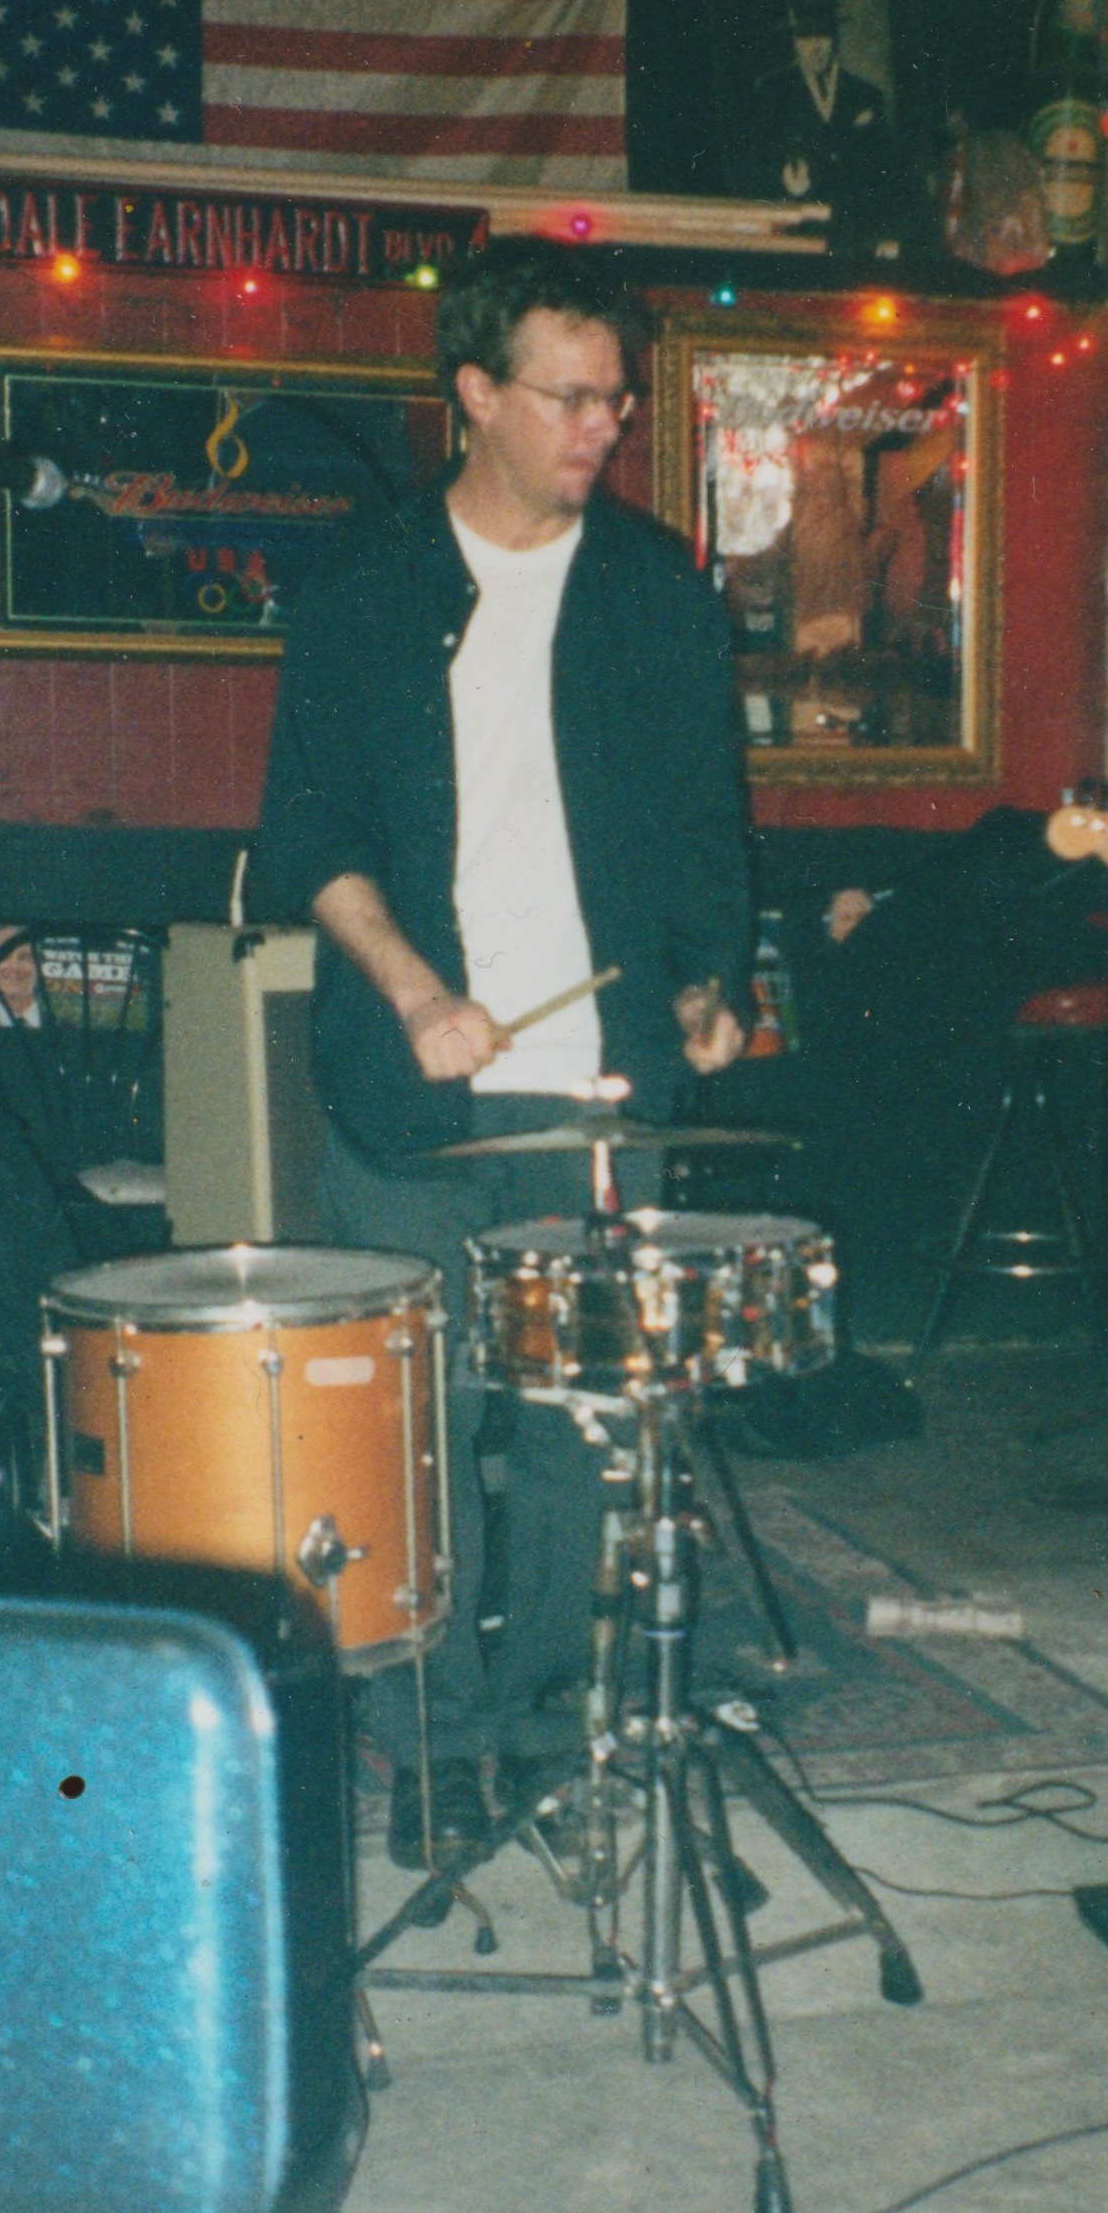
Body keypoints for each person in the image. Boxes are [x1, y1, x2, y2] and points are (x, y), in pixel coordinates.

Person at [257, 238, 751, 1867]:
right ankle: (430, 1741)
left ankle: (536, 1723)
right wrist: (412, 988)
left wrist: (704, 986)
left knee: (566, 1442)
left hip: (593, 1085)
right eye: (568, 395)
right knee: (416, 1430)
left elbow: (703, 831)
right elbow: (307, 833)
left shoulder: (657, 593)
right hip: (410, 1080)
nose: (602, 424)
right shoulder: (364, 588)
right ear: (472, 393)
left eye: (616, 396)